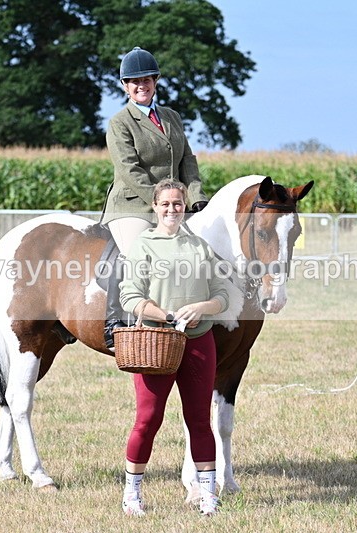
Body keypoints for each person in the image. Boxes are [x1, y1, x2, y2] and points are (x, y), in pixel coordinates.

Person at [117, 180, 228, 517]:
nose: (172, 209)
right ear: (155, 206)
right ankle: (132, 493)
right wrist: (165, 316)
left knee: (199, 419)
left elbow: (222, 294)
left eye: (177, 203)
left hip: (198, 342)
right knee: (148, 419)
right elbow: (129, 296)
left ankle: (208, 494)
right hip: (157, 343)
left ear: (184, 206)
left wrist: (201, 309)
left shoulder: (200, 247)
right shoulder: (143, 246)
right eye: (165, 204)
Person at [103, 46, 209, 349]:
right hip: (132, 204)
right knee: (132, 252)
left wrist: (196, 196)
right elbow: (129, 169)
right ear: (125, 86)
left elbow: (187, 158)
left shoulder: (172, 117)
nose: (141, 86)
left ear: (156, 81)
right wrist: (163, 202)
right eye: (134, 82)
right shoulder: (120, 122)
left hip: (174, 203)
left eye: (146, 80)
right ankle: (113, 320)